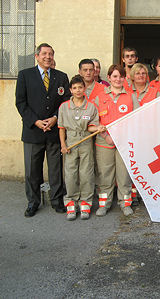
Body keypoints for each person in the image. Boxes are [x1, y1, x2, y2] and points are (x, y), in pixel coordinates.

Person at [15, 43, 71, 217]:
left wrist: (55, 117)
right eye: (44, 53)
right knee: (32, 171)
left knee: (55, 170)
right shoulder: (25, 75)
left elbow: (65, 101)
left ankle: (57, 201)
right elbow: (21, 102)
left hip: (54, 131)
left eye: (51, 54)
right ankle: (33, 202)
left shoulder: (61, 76)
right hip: (33, 131)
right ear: (37, 56)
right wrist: (36, 121)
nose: (48, 57)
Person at [93, 64, 140, 217]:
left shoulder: (131, 96)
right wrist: (105, 136)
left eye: (120, 76)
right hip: (104, 143)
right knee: (105, 175)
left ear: (124, 78)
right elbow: (94, 122)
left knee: (124, 175)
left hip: (124, 143)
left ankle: (124, 203)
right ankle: (104, 205)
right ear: (109, 78)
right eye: (114, 76)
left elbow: (137, 119)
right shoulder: (100, 97)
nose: (118, 79)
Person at [58, 75, 106, 220]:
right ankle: (71, 202)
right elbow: (61, 128)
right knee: (71, 174)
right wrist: (63, 145)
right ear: (70, 90)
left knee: (86, 173)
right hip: (71, 142)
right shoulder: (64, 107)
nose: (78, 90)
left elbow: (91, 127)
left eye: (80, 87)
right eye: (75, 88)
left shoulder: (91, 106)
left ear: (84, 89)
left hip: (85, 142)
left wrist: (98, 128)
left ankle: (86, 202)